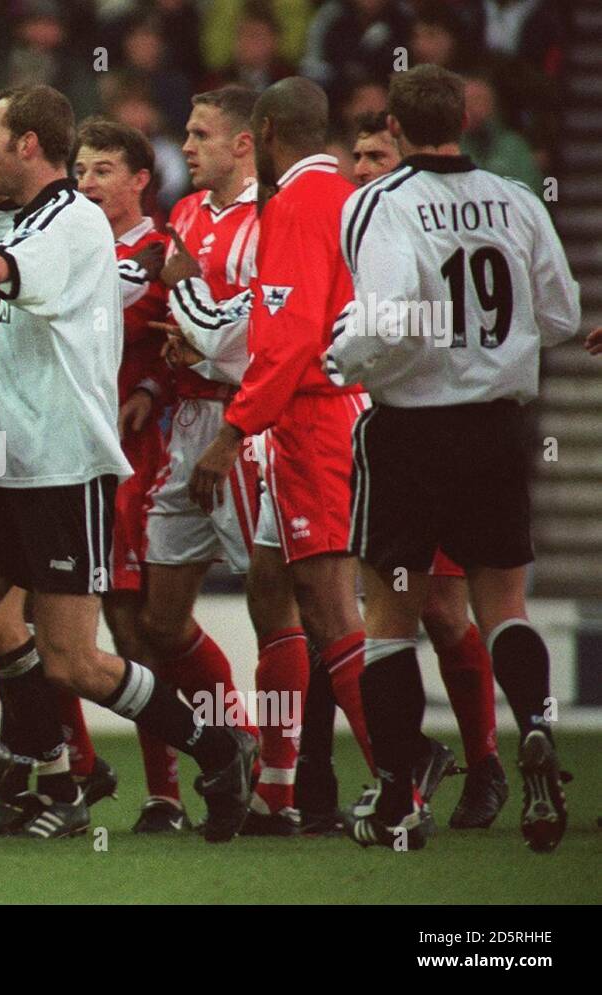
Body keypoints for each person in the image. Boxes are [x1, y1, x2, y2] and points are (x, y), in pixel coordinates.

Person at [0, 85, 256, 844]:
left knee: (74, 662)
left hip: (62, 463)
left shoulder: (74, 223)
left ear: (29, 147)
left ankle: (220, 747)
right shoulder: (1, 214)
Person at [185, 77, 454, 830]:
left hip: (314, 417)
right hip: (325, 409)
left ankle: (402, 773)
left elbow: (294, 330)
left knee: (332, 605)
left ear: (266, 132)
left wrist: (233, 431)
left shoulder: (298, 204)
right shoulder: (345, 194)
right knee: (271, 583)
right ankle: (281, 781)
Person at [326, 64, 580, 852]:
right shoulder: (515, 198)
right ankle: (535, 729)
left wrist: (341, 354)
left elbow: (391, 311)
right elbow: (563, 312)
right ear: (466, 120)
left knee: (389, 619)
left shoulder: (380, 202)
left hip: (412, 431)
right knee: (503, 605)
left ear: (394, 129)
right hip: (499, 427)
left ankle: (400, 797)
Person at [142, 85, 310, 836]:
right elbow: (189, 319)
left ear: (244, 143)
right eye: (186, 130)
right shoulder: (183, 214)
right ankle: (233, 737)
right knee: (161, 620)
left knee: (271, 604)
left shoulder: (270, 219)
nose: (187, 144)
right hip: (186, 423)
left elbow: (244, 340)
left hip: (248, 427)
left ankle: (281, 790)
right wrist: (180, 339)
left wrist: (194, 319)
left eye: (200, 133)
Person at [346, 110, 509, 830]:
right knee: (379, 608)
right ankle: (404, 770)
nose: (362, 167)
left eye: (376, 152)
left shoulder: (428, 224)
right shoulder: (365, 221)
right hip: (380, 434)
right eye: (355, 154)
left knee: (436, 609)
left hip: (434, 431)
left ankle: (478, 764)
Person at [73, 117, 195, 833]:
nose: (86, 182)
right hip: (76, 456)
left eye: (101, 170)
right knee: (68, 627)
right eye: (80, 169)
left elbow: (194, 337)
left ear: (140, 180)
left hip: (139, 459)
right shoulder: (76, 242)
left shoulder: (161, 250)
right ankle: (77, 772)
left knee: (140, 628)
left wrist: (150, 383)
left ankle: (171, 788)